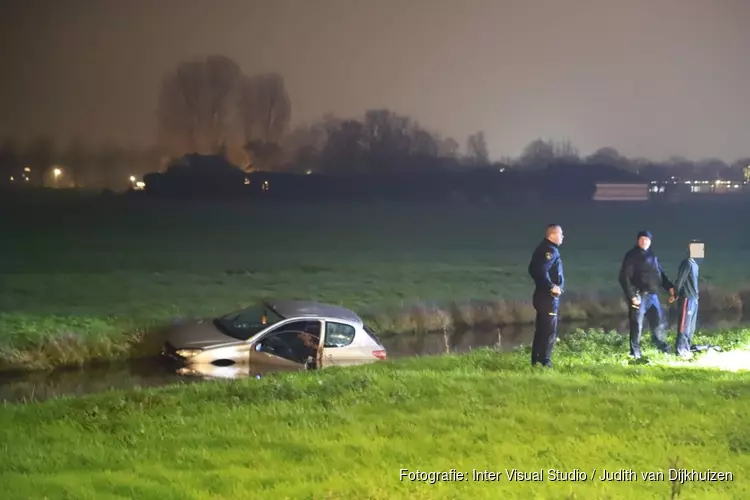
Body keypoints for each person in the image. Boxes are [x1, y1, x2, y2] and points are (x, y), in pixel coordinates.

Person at [618, 230, 675, 359]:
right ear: (638, 240)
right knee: (637, 324)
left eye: (647, 239)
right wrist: (632, 296)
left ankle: (661, 346)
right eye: (642, 239)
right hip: (639, 296)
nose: (644, 241)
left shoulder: (652, 256)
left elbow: (660, 274)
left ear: (650, 241)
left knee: (657, 322)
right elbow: (624, 277)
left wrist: (670, 288)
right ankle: (635, 352)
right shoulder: (632, 256)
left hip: (653, 295)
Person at [527, 224, 565, 367]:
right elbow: (539, 271)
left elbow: (532, 269)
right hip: (547, 297)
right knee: (548, 331)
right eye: (560, 234)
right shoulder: (549, 250)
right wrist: (551, 287)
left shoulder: (544, 248)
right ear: (552, 235)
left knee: (542, 329)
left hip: (541, 296)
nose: (562, 237)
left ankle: (536, 361)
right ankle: (545, 361)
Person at [674, 240, 703, 358]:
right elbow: (680, 280)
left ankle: (687, 348)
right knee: (684, 325)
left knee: (691, 326)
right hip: (687, 298)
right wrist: (675, 294)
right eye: (698, 247)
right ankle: (681, 350)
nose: (701, 250)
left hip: (694, 299)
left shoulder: (694, 264)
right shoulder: (687, 263)